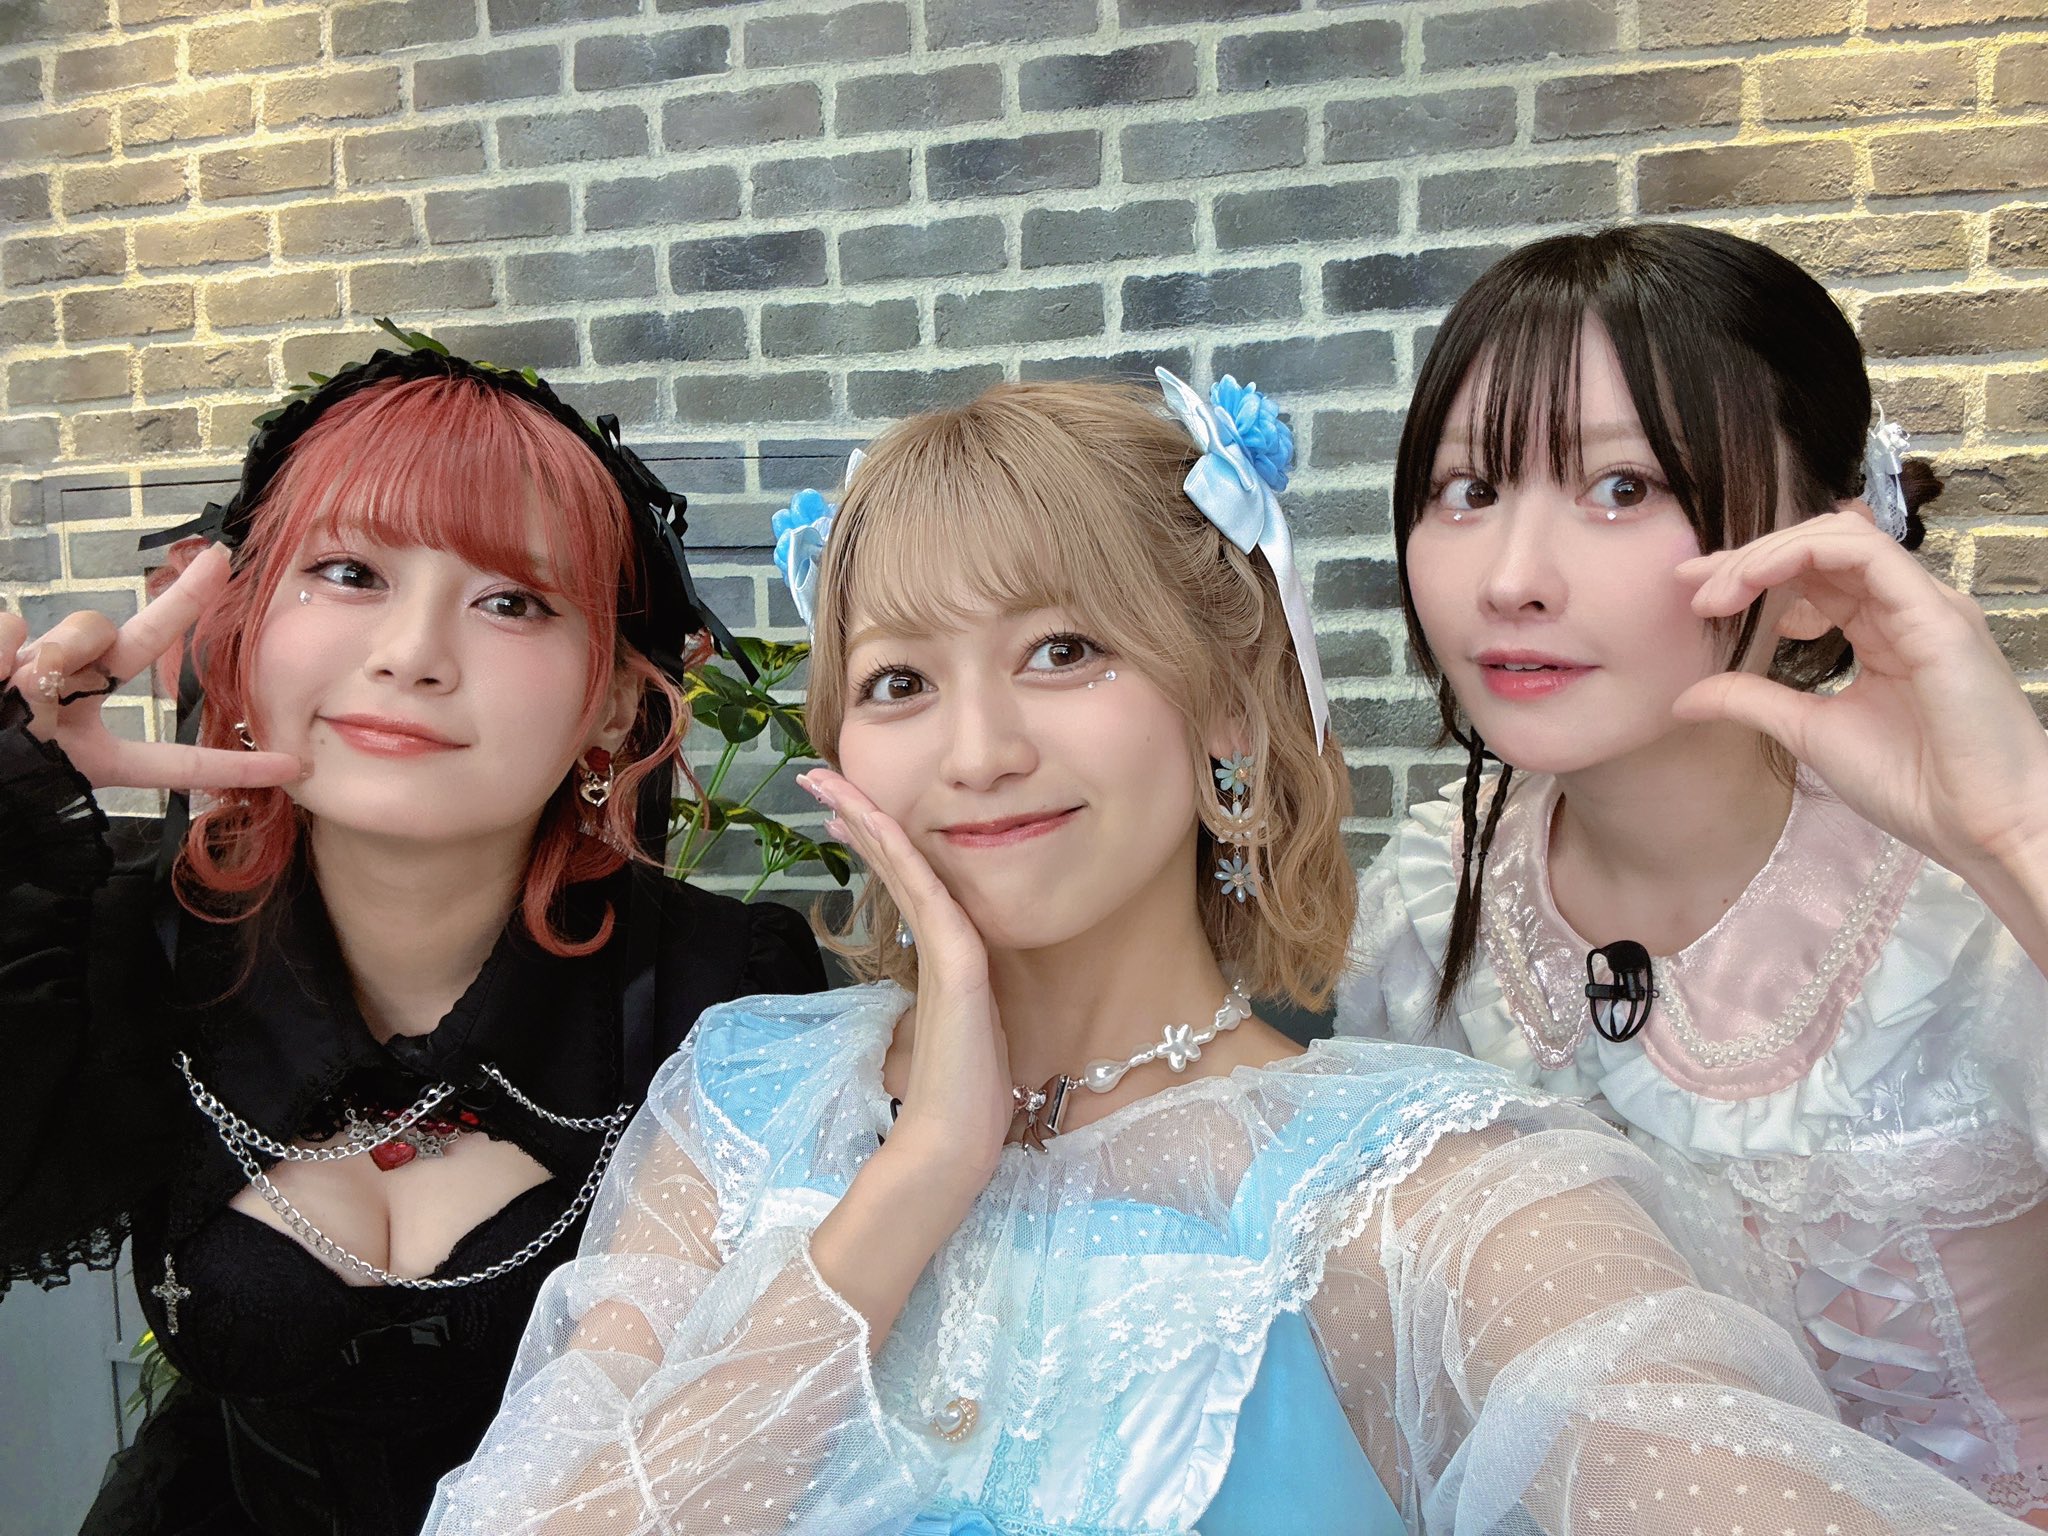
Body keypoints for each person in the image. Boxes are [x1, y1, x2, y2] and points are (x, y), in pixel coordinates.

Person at [419, 372, 2029, 1534]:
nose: (974, 749)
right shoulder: (745, 1101)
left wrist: (2020, 834)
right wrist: (915, 1182)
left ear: (1230, 725)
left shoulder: (1429, 1190)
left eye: (1065, 650)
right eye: (900, 681)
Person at [0, 343, 827, 1536]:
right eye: (348, 572)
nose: (411, 653)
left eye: (513, 601)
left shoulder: (723, 999)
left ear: (612, 700)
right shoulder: (127, 946)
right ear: (242, 634)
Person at [1335, 223, 2048, 1523]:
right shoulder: (1426, 908)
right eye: (1466, 490)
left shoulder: (1978, 913)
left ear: (1820, 562)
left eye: (1621, 487)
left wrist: (2015, 835)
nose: (1509, 580)